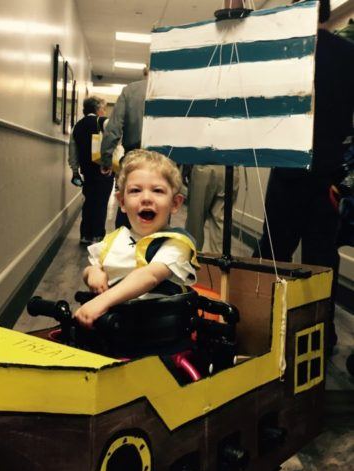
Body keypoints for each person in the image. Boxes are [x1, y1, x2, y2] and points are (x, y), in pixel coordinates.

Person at [254, 0, 354, 351]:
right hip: (329, 175)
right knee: (321, 260)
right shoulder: (347, 54)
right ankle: (320, 338)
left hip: (289, 169)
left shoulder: (285, 53)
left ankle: (265, 328)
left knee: (272, 255)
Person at [75, 150, 199, 328]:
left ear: (175, 203)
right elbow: (92, 266)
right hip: (110, 325)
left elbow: (150, 276)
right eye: (135, 190)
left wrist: (101, 301)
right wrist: (93, 273)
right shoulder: (114, 239)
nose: (146, 198)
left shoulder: (176, 243)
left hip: (153, 331)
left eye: (157, 191)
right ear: (122, 202)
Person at [100, 68, 149, 227]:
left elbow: (113, 129)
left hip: (135, 157)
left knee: (128, 207)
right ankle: (152, 248)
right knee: (159, 210)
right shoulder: (174, 93)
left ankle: (125, 246)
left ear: (145, 71)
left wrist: (106, 160)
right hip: (164, 158)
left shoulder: (130, 91)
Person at [69, 96, 114, 245]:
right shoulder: (102, 121)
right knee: (101, 203)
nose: (104, 110)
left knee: (89, 202)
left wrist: (75, 171)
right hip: (103, 171)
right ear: (98, 109)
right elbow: (115, 132)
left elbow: (72, 151)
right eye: (103, 108)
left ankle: (85, 235)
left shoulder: (77, 126)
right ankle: (97, 236)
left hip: (86, 172)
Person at [185, 164, 240, 252]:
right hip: (231, 168)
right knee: (221, 225)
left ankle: (191, 260)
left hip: (204, 163)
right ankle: (219, 263)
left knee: (195, 222)